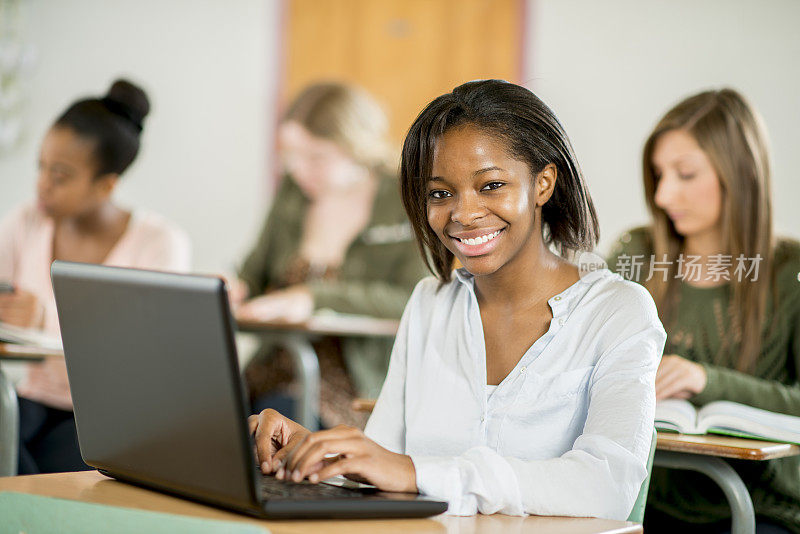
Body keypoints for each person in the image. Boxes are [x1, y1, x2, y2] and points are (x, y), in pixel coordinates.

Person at [246, 80, 666, 519]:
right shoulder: (431, 303)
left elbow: (607, 487)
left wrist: (418, 473)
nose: (463, 214)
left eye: (491, 186)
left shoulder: (618, 311)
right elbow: (386, 465)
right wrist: (314, 451)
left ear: (543, 184)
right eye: (440, 193)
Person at [607, 88, 800, 533]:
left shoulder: (789, 272)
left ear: (741, 174)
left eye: (686, 174)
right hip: (643, 500)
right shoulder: (636, 252)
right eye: (658, 174)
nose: (663, 195)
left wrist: (707, 381)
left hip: (759, 509)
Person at [0, 79, 191, 474]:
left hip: (113, 416)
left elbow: (149, 347)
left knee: (37, 477)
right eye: (41, 167)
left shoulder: (159, 243)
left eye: (61, 175)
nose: (42, 185)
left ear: (106, 185)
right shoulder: (25, 222)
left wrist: (43, 319)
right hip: (30, 400)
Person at [234, 82, 427, 428]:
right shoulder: (294, 193)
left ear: (359, 148)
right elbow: (254, 275)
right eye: (290, 156)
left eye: (316, 157)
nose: (298, 169)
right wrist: (233, 288)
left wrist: (313, 296)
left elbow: (415, 298)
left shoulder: (405, 200)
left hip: (352, 386)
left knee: (272, 423)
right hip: (271, 372)